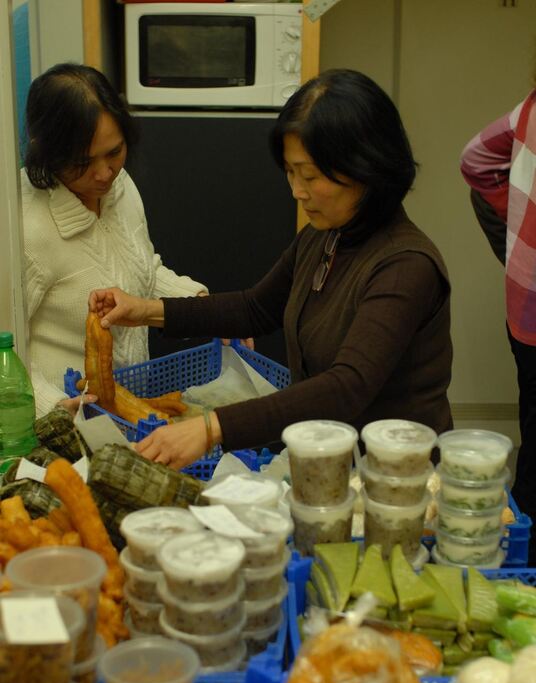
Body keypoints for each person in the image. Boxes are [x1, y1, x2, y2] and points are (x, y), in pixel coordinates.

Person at [90, 69, 453, 470]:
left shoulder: (405, 266)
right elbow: (255, 308)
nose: (297, 191)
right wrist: (145, 310)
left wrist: (212, 427)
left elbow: (346, 386)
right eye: (291, 172)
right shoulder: (326, 235)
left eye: (310, 176)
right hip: (328, 465)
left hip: (397, 479)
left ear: (366, 168)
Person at [21, 62, 209, 419]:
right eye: (82, 162)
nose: (105, 173)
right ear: (46, 151)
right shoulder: (25, 228)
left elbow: (142, 270)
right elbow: (4, 349)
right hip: (64, 422)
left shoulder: (119, 187)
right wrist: (54, 406)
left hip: (133, 410)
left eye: (115, 152)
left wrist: (206, 309)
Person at [461, 88, 536, 561]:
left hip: (526, 305)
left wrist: (519, 235)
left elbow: (475, 159)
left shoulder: (531, 107)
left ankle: (524, 558)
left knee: (534, 432)